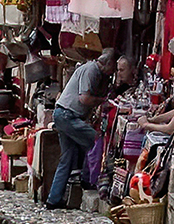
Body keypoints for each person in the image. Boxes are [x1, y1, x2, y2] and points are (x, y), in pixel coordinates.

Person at [46, 49, 120, 210]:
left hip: (64, 115)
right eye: (114, 67)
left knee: (67, 158)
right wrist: (104, 101)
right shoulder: (91, 70)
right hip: (68, 115)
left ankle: (53, 199)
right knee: (96, 141)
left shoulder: (93, 70)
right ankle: (89, 180)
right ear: (108, 63)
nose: (114, 72)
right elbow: (84, 98)